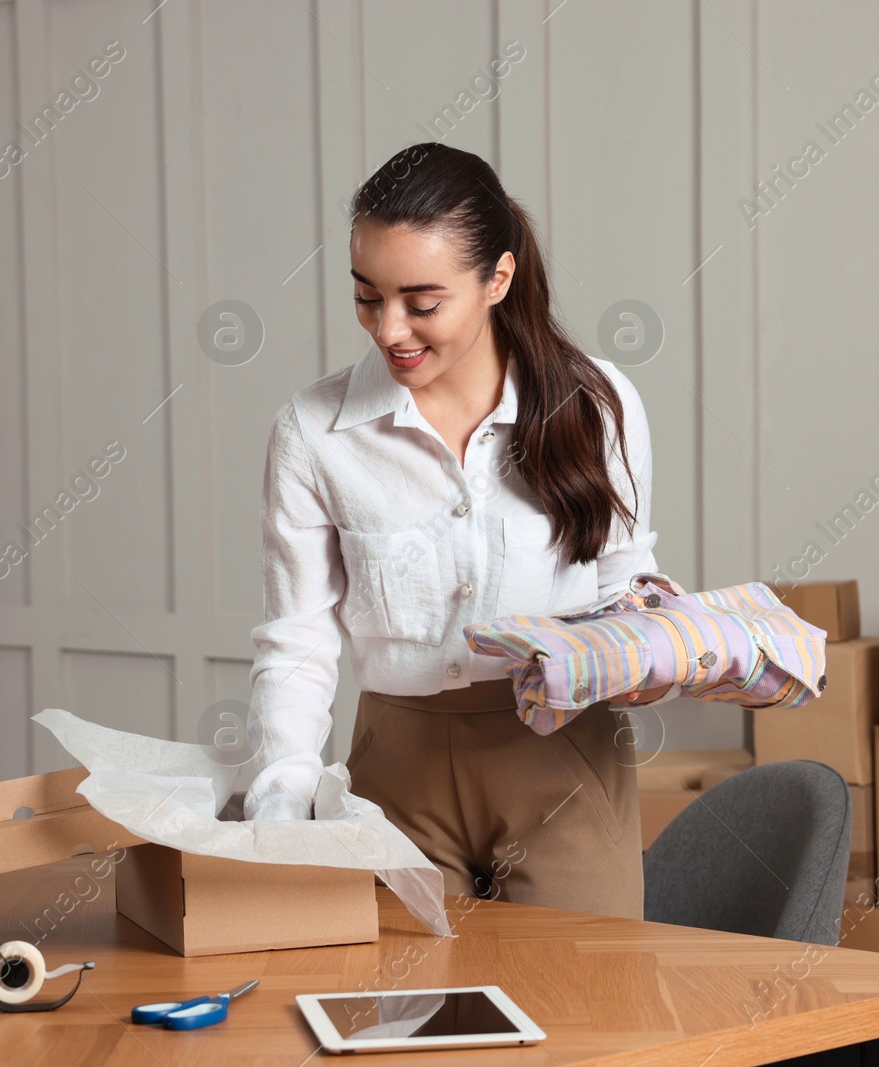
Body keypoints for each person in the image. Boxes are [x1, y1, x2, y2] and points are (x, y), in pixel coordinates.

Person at [242, 142, 670, 921]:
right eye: (367, 296)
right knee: (403, 1021)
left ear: (497, 279)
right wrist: (281, 804)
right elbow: (298, 638)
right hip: (394, 772)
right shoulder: (313, 432)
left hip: (564, 761)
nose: (389, 328)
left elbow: (623, 583)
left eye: (422, 300)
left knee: (590, 1018)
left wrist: (663, 639)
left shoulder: (598, 402)